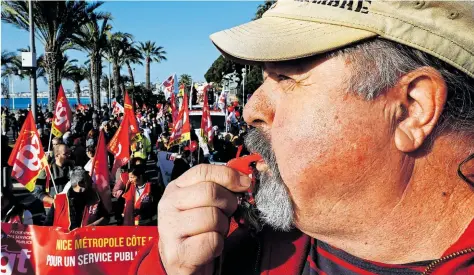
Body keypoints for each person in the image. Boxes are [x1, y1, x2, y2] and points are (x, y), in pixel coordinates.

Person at [131, 1, 474, 275]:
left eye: (286, 78)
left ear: (411, 109)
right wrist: (169, 266)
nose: (251, 109)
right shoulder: (228, 224)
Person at [44, 167, 109, 230]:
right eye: (88, 179)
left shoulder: (94, 196)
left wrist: (92, 225)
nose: (92, 181)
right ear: (80, 183)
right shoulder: (60, 200)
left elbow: (106, 217)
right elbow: (47, 224)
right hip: (67, 239)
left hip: (89, 238)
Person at [34, 144, 74, 211]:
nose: (69, 155)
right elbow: (37, 191)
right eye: (65, 154)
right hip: (52, 209)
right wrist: (53, 201)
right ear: (57, 155)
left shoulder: (72, 168)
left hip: (70, 208)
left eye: (69, 153)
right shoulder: (47, 169)